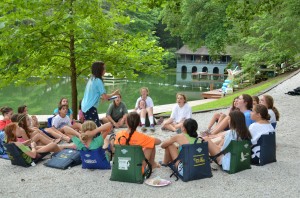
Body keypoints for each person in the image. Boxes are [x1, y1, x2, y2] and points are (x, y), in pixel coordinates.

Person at [4, 123, 69, 164]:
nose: (20, 129)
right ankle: (63, 155)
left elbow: (19, 147)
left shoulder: (9, 142)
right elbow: (33, 155)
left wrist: (25, 143)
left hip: (24, 154)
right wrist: (33, 146)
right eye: (18, 128)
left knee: (47, 146)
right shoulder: (18, 144)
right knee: (53, 145)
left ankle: (68, 147)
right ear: (13, 132)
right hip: (31, 158)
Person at [81, 61, 119, 127]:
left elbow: (92, 94)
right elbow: (105, 97)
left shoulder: (92, 79)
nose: (105, 70)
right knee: (96, 129)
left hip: (85, 107)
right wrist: (114, 93)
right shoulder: (98, 81)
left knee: (91, 128)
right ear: (99, 70)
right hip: (90, 108)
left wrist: (100, 97)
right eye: (104, 68)